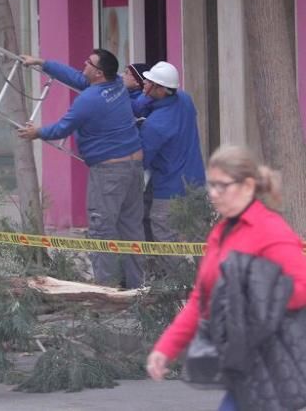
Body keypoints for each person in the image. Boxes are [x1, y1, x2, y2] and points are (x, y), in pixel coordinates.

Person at [147, 145, 306, 410]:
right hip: (241, 364)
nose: (213, 194)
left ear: (247, 186)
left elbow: (301, 286)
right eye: (211, 185)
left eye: (222, 186)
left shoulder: (270, 230)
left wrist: (253, 299)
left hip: (270, 363)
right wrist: (166, 348)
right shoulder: (221, 231)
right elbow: (202, 298)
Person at [18, 48, 145, 289]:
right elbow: (77, 78)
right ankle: (136, 288)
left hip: (110, 172)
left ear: (98, 73)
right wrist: (43, 62)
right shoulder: (116, 85)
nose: (83, 64)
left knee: (101, 232)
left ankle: (106, 291)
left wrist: (37, 133)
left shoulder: (88, 100)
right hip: (133, 166)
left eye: (88, 62)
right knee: (131, 228)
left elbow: (63, 129)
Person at [139, 61, 205, 243]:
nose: (144, 83)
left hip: (168, 191)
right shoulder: (185, 100)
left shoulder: (154, 126)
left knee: (166, 241)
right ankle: (206, 273)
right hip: (196, 184)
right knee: (200, 241)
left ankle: (170, 273)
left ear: (160, 90)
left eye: (149, 82)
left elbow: (142, 161)